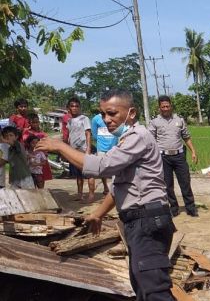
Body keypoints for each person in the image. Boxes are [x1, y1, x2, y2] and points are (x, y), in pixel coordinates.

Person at [36, 89, 175, 300]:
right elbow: (118, 186)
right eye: (103, 114)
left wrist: (60, 146)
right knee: (143, 286)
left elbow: (102, 166)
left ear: (132, 113)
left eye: (112, 113)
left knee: (154, 290)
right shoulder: (126, 140)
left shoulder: (138, 136)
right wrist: (98, 214)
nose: (106, 120)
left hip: (147, 220)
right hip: (140, 221)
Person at [148, 96, 199, 217]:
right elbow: (150, 140)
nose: (165, 108)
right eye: (163, 107)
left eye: (167, 106)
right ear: (159, 107)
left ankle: (191, 208)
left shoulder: (179, 120)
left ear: (171, 106)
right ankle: (174, 208)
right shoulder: (154, 122)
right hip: (163, 157)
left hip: (179, 156)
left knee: (185, 182)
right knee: (167, 185)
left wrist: (193, 152)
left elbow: (186, 137)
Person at [66, 97, 95, 202]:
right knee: (78, 175)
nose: (74, 108)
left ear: (80, 107)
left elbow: (88, 134)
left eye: (77, 106)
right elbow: (69, 135)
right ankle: (80, 194)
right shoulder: (69, 121)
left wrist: (88, 148)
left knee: (89, 173)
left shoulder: (84, 119)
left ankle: (91, 195)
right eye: (72, 106)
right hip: (74, 150)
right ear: (69, 108)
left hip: (83, 150)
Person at [21, 113, 53, 183]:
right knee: (30, 179)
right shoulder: (26, 132)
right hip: (30, 157)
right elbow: (25, 142)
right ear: (30, 123)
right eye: (33, 122)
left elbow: (47, 144)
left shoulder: (43, 133)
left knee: (41, 178)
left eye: (37, 122)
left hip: (40, 157)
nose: (35, 124)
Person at [91, 112, 117, 196]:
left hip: (114, 147)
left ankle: (115, 187)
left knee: (116, 168)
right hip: (101, 148)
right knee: (102, 169)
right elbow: (94, 134)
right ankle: (105, 186)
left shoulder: (114, 116)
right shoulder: (96, 119)